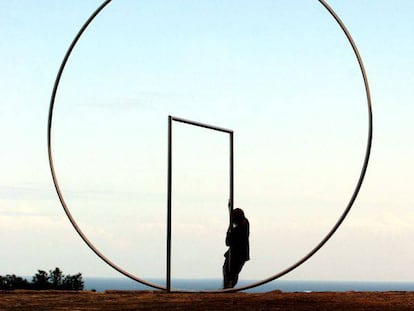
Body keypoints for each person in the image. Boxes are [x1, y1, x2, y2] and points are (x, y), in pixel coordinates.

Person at [223, 207, 250, 288]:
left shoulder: (237, 230)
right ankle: (228, 286)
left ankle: (228, 287)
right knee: (230, 271)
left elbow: (227, 242)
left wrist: (228, 231)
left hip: (237, 255)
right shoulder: (245, 224)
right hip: (240, 254)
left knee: (231, 272)